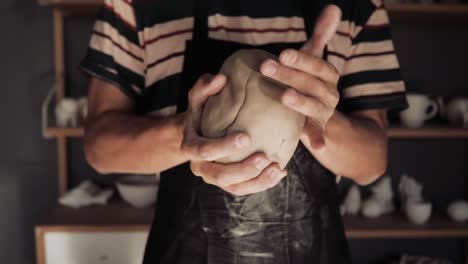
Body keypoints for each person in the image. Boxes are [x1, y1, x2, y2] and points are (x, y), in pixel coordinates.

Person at [81, 0, 407, 262]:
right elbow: (100, 148)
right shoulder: (134, 4)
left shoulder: (355, 7)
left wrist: (308, 112)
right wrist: (188, 135)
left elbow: (373, 161)